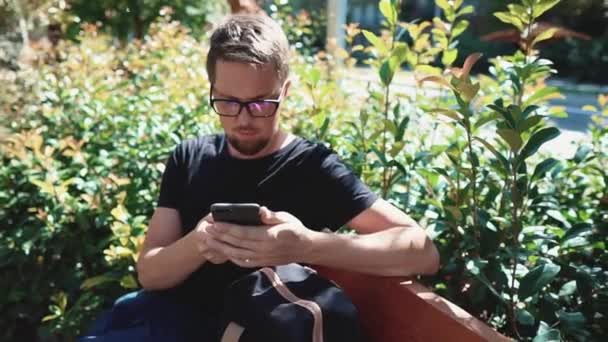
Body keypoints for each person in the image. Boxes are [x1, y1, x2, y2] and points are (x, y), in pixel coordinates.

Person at [81, 14, 439, 342]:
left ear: (285, 91)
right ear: (212, 89)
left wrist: (306, 245)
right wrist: (200, 243)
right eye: (227, 102)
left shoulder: (312, 166)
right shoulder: (188, 157)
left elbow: (422, 252)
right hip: (160, 320)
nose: (243, 119)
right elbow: (151, 273)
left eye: (261, 103)